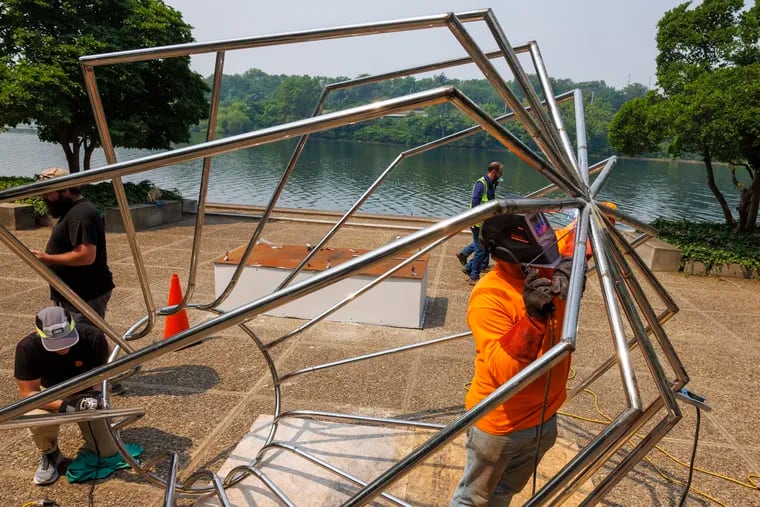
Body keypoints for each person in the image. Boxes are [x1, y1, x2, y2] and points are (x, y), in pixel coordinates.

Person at [450, 211, 576, 506]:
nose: (542, 264)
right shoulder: (489, 296)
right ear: (508, 256)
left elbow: (595, 219)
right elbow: (505, 374)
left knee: (504, 493)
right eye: (531, 259)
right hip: (502, 427)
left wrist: (569, 264)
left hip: (545, 415)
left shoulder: (545, 260)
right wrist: (531, 319)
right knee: (474, 498)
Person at [14, 306, 119, 485]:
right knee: (33, 416)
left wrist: (94, 397)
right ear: (38, 333)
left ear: (73, 326)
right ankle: (50, 453)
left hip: (86, 388)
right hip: (48, 392)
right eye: (55, 343)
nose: (63, 349)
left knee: (107, 452)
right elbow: (28, 393)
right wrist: (66, 406)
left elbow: (103, 377)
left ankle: (95, 442)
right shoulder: (27, 348)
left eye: (66, 340)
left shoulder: (93, 337)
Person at [31, 167, 114, 326]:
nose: (45, 197)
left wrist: (48, 258)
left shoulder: (81, 215)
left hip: (86, 294)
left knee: (85, 339)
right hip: (73, 293)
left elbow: (86, 255)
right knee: (74, 340)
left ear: (65, 190)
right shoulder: (72, 210)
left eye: (49, 192)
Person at [458, 161, 504, 285]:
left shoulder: (492, 184)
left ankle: (468, 266)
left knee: (483, 247)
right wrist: (474, 220)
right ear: (494, 172)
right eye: (500, 173)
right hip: (478, 224)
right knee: (481, 251)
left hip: (486, 223)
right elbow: (475, 203)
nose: (501, 175)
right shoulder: (481, 184)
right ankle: (474, 277)